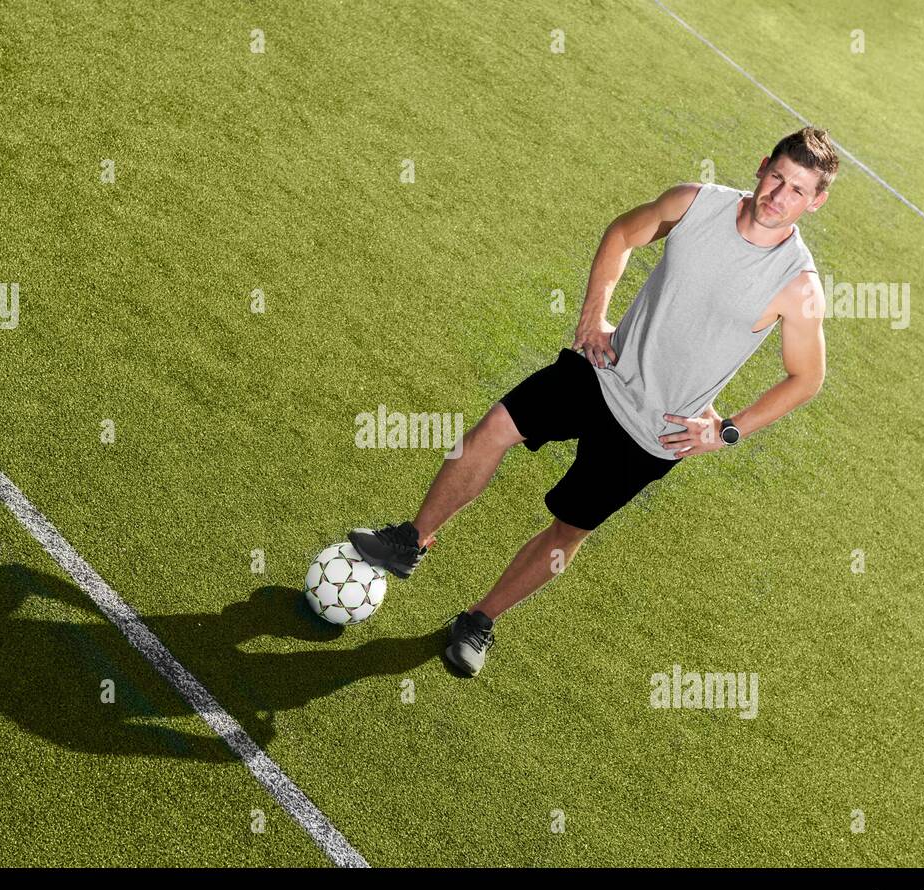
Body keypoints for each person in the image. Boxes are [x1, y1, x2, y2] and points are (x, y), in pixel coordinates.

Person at [351, 127, 836, 676]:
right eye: (777, 177)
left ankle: (479, 620)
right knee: (493, 430)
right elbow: (623, 235)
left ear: (815, 202)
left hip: (655, 431)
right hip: (601, 370)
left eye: (797, 189)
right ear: (761, 165)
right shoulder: (695, 203)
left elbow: (806, 378)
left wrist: (726, 432)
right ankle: (412, 540)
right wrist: (593, 314)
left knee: (569, 530)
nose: (779, 196)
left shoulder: (798, 285)